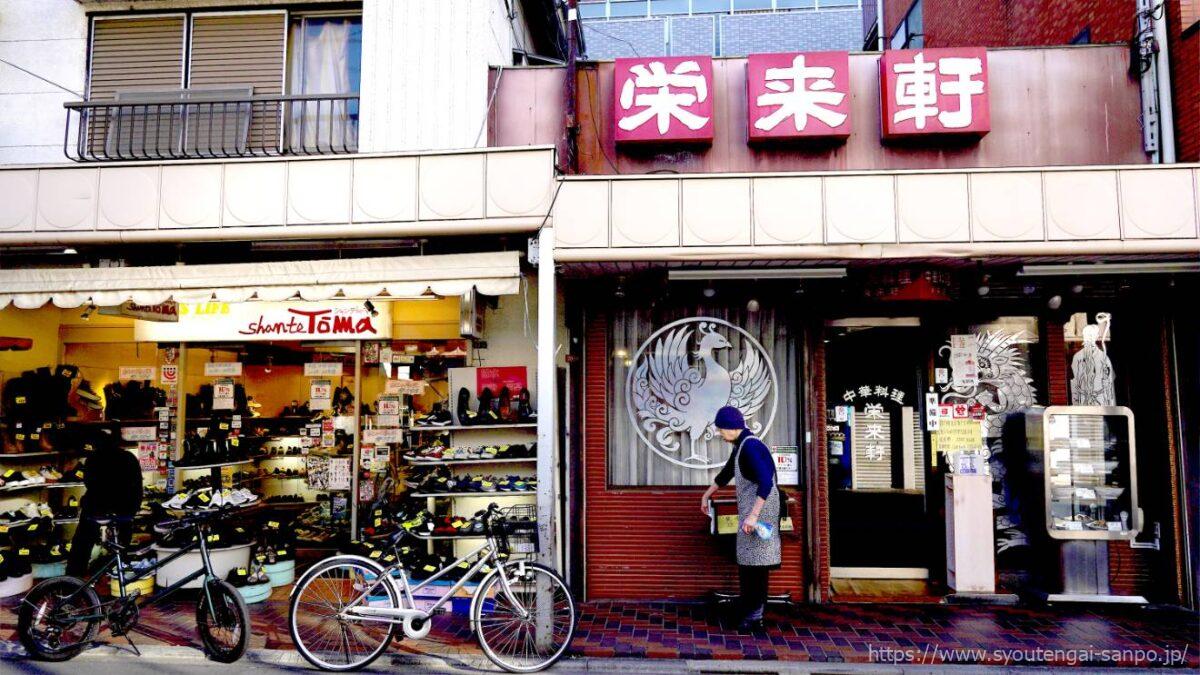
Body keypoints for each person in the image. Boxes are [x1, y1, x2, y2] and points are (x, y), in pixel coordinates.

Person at [700, 406, 780, 631]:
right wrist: (706, 495)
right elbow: (726, 473)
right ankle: (752, 613)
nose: (719, 434)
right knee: (750, 565)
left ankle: (755, 617)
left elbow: (766, 482)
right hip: (754, 513)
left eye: (720, 429)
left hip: (760, 513)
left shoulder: (751, 447)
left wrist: (754, 516)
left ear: (731, 428)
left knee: (756, 567)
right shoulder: (742, 445)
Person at [67, 429, 144, 577]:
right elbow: (137, 486)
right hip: (126, 510)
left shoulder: (94, 458)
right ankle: (119, 563)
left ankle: (74, 576)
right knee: (123, 538)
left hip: (99, 508)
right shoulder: (129, 457)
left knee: (82, 540)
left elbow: (90, 484)